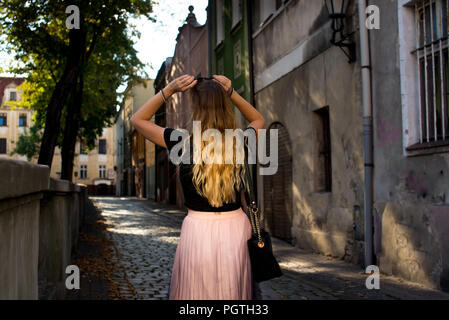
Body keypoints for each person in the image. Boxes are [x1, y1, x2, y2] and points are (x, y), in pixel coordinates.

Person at [130, 74, 265, 300]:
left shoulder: (181, 142)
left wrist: (170, 89)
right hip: (237, 229)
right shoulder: (240, 141)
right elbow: (258, 119)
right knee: (233, 293)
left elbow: (138, 120)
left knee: (197, 295)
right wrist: (232, 93)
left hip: (197, 230)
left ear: (195, 107)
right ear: (225, 107)